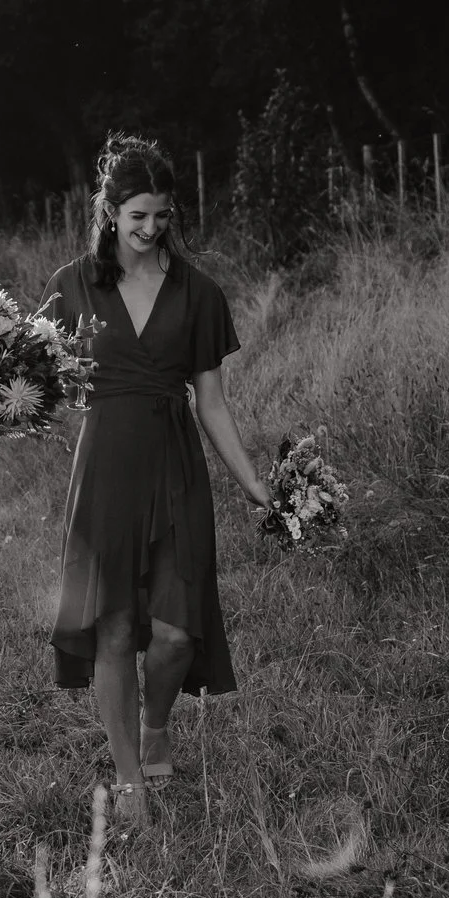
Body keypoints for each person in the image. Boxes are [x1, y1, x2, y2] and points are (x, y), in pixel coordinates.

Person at [43, 136, 270, 830]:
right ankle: (128, 775)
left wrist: (258, 486)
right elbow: (40, 385)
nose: (150, 229)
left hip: (174, 465)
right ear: (109, 211)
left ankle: (158, 721)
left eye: (162, 217)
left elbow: (213, 402)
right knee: (113, 630)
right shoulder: (73, 284)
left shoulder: (197, 292)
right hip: (106, 466)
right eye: (137, 215)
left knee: (175, 631)